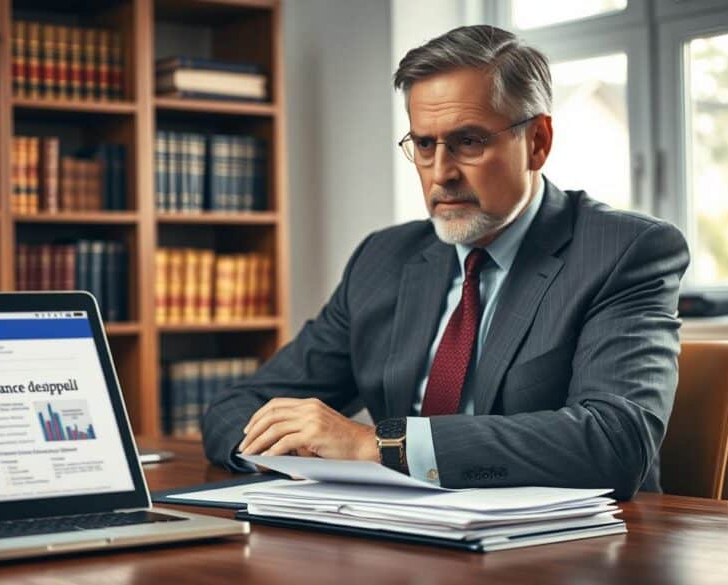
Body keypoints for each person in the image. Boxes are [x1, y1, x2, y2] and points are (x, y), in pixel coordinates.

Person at [201, 24, 689, 499]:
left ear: (537, 141)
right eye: (424, 144)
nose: (441, 174)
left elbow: (615, 440)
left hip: (567, 551)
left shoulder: (625, 252)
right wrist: (286, 453)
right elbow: (237, 407)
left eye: (469, 141)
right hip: (401, 536)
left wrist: (376, 445)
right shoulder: (383, 258)